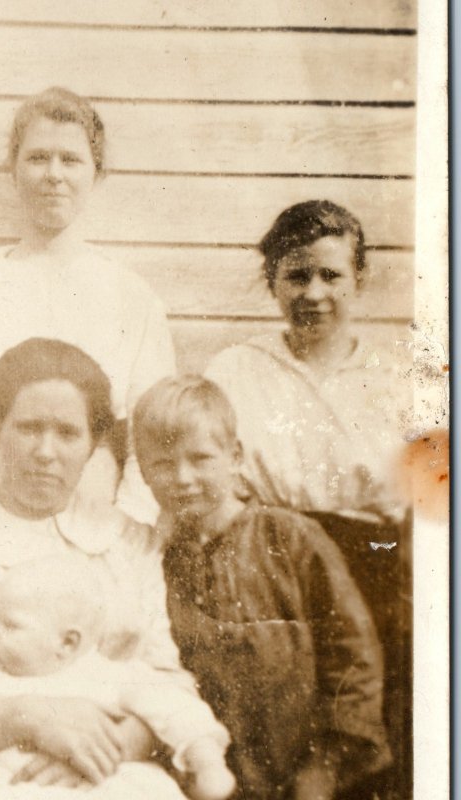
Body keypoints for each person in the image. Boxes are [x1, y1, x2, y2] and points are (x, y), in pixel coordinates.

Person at [0, 338, 198, 800]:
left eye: (68, 433)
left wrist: (108, 749)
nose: (46, 451)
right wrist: (24, 718)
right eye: (28, 428)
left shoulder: (129, 546)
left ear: (94, 443)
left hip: (108, 778)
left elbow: (167, 687)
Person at [203, 200, 412, 796]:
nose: (313, 293)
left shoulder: (398, 378)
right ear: (272, 282)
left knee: (369, 733)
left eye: (331, 275)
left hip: (375, 563)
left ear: (359, 280)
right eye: (296, 275)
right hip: (269, 570)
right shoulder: (237, 370)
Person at [0, 86, 175, 530]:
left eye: (70, 160)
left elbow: (152, 430)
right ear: (13, 169)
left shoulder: (132, 297)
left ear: (96, 172)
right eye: (37, 158)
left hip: (94, 512)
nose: (54, 174)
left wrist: (131, 523)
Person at [133, 375, 391, 800]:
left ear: (234, 456)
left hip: (311, 775)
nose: (183, 477)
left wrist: (321, 772)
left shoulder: (291, 539)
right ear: (142, 469)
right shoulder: (151, 561)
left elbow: (353, 660)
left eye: (200, 458)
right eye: (163, 463)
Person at [0, 556, 234, 800]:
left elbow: (174, 706)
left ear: (67, 643)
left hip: (93, 785)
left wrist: (205, 756)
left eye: (10, 625)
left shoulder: (105, 675)